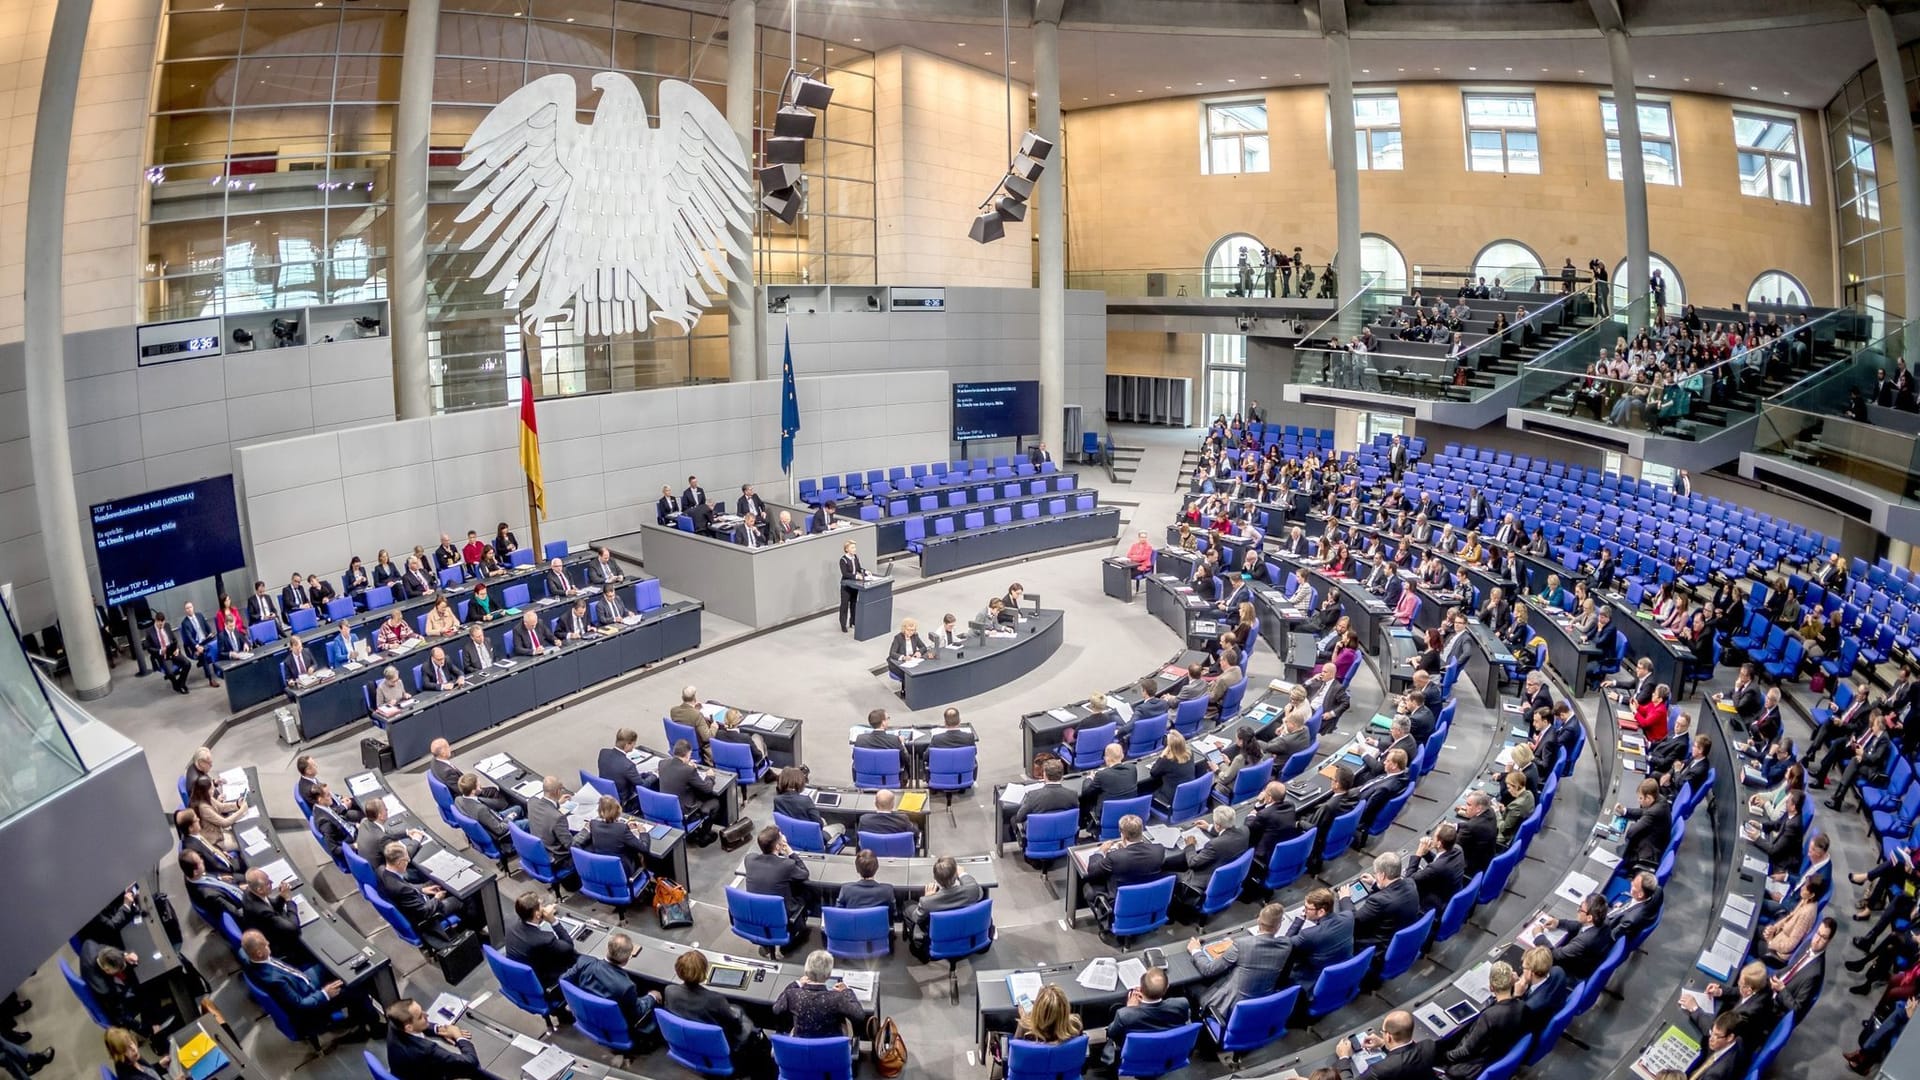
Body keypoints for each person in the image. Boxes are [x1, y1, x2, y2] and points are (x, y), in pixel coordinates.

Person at [240, 930, 377, 1041]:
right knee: (358, 988)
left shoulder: (248, 957)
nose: (268, 943)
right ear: (259, 953)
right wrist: (324, 994)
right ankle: (368, 1027)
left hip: (302, 981)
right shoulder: (274, 980)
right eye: (265, 944)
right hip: (311, 1004)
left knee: (327, 964)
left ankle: (359, 1013)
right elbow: (301, 1004)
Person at [1188, 901, 1291, 1018]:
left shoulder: (1242, 944)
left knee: (1190, 987)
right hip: (1261, 1001)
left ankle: (1197, 1020)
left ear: (1258, 921)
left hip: (1229, 1005)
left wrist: (1195, 950)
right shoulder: (1286, 945)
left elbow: (1208, 969)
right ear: (1278, 926)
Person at [664, 951, 765, 1066]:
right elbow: (735, 1026)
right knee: (741, 1014)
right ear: (704, 971)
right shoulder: (716, 1000)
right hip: (718, 1046)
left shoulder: (669, 991)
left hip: (689, 1042)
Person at [563, 933, 662, 1046]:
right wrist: (652, 996)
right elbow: (637, 1012)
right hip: (615, 1026)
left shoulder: (585, 962)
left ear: (607, 949)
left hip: (586, 1017)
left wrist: (573, 998)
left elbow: (564, 980)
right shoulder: (626, 986)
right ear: (627, 959)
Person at [1436, 961, 1524, 1078]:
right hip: (1494, 1053)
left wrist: (1443, 1057)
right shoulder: (1522, 1006)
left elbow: (1466, 1051)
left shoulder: (1489, 1016)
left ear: (1491, 988)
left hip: (1471, 1066)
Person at [1099, 968, 1190, 1067]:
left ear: (1140, 989)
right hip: (1168, 1051)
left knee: (1115, 1008)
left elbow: (1111, 1032)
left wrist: (1130, 1009)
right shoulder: (1181, 1004)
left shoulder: (1125, 1015)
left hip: (1136, 1055)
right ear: (1167, 988)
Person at [903, 855, 985, 958]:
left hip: (939, 937)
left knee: (908, 906)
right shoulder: (972, 891)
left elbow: (916, 918)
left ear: (935, 879)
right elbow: (980, 893)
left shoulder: (927, 902)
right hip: (964, 933)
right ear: (956, 874)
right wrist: (963, 874)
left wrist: (927, 897)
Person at [505, 891, 577, 1006]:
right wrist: (553, 921)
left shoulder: (511, 927)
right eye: (541, 906)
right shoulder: (544, 940)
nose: (544, 907)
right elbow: (568, 946)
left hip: (522, 979)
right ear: (537, 914)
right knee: (577, 959)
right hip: (544, 984)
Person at [773, 950, 864, 1040]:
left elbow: (777, 1009)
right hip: (831, 1049)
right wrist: (846, 991)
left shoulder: (792, 994)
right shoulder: (837, 998)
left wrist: (796, 984)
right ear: (828, 975)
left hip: (801, 1048)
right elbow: (859, 1015)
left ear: (806, 971)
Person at [377, 843, 465, 936]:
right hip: (426, 916)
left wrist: (423, 890)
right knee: (460, 899)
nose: (408, 862)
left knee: (436, 882)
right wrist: (437, 898)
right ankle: (468, 930)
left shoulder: (381, 870)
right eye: (407, 860)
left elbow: (408, 887)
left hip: (414, 901)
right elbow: (423, 912)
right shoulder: (401, 889)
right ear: (399, 862)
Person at [744, 825, 811, 945]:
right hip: (781, 916)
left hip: (757, 914)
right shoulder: (786, 865)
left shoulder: (749, 859)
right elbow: (804, 874)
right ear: (778, 846)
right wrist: (789, 851)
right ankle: (797, 930)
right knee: (805, 892)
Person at [384, 998, 481, 1079]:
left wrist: (439, 1030)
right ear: (409, 1028)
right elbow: (470, 1061)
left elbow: (414, 1024)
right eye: (421, 1016)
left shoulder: (394, 1024)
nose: (426, 1014)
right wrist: (458, 1036)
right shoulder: (426, 1050)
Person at [1353, 851, 1421, 955]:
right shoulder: (1410, 883)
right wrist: (1375, 883)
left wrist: (1345, 898)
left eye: (1376, 873)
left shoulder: (1379, 900)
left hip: (1379, 949)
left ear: (1382, 875)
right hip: (1399, 940)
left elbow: (1354, 920)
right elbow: (1393, 890)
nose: (1375, 876)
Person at [1334, 1010, 1435, 1080]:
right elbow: (1406, 1056)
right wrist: (1383, 1043)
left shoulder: (1380, 1069)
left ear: (1389, 1037)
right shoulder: (1428, 1045)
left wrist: (1343, 1057)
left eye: (1382, 1031)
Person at [1284, 887, 1355, 985]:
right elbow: (1349, 909)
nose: (1304, 911)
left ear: (1321, 911)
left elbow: (1285, 944)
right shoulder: (1348, 918)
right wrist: (1345, 898)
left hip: (1316, 980)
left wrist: (1299, 920)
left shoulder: (1309, 935)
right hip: (1345, 972)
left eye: (1307, 908)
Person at [658, 740, 721, 834]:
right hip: (685, 814)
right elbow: (707, 789)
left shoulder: (662, 763)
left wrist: (687, 766)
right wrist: (710, 776)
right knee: (715, 802)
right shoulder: (689, 771)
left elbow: (677, 772)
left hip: (666, 809)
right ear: (687, 755)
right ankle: (704, 836)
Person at [581, 795, 651, 878]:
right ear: (618, 811)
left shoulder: (593, 824)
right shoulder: (622, 829)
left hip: (602, 868)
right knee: (639, 854)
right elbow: (644, 848)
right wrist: (643, 832)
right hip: (622, 870)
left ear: (600, 811)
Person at [523, 776, 578, 880]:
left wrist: (557, 803)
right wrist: (586, 831)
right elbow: (571, 845)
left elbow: (545, 808)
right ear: (557, 792)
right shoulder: (558, 818)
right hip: (557, 857)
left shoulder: (532, 802)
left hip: (541, 850)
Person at [1012, 758, 1078, 842]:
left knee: (1013, 819)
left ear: (1044, 775)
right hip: (1063, 839)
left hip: (1039, 839)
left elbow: (1019, 818)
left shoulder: (1033, 795)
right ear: (1062, 776)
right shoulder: (1072, 795)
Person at [1408, 823, 1467, 911]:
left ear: (1439, 843)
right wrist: (1427, 853)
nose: (1432, 838)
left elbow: (1409, 879)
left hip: (1436, 902)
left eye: (1434, 836)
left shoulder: (1436, 868)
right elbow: (1441, 861)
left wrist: (1419, 853)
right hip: (1449, 891)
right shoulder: (1458, 849)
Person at [1617, 777, 1672, 872]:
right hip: (1653, 840)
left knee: (1616, 853)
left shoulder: (1655, 811)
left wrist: (1626, 827)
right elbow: (1643, 811)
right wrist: (1624, 811)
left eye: (1641, 798)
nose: (1638, 801)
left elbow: (1631, 832)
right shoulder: (1660, 799)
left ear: (1649, 798)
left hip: (1647, 853)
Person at [353, 795, 424, 868]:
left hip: (368, 865)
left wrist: (407, 832)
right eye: (385, 809)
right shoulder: (381, 839)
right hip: (381, 874)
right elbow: (404, 856)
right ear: (380, 816)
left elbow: (386, 833)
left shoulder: (364, 822)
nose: (387, 810)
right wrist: (416, 840)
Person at [1013, 984, 1082, 1045]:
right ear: (1065, 1008)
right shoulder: (1076, 1024)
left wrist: (1024, 1018)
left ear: (1037, 1010)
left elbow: (1015, 1049)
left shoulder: (1025, 1028)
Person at [190, 774, 244, 852]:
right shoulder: (203, 807)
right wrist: (241, 811)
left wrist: (237, 804)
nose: (213, 790)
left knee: (240, 833)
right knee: (242, 843)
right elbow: (224, 823)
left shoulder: (205, 796)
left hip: (218, 831)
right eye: (211, 789)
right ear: (205, 791)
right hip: (215, 841)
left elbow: (221, 807)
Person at [1516, 945, 1569, 1024]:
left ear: (1531, 973)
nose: (1522, 970)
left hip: (1535, 1026)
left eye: (1524, 968)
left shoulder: (1530, 1006)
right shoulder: (1558, 971)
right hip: (1553, 1008)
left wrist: (1517, 995)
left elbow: (1514, 1018)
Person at [597, 728, 646, 812]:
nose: (634, 747)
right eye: (633, 744)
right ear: (627, 745)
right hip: (623, 802)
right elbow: (642, 784)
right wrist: (654, 775)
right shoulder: (628, 765)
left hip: (604, 794)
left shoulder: (603, 753)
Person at [855, 708, 911, 778]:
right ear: (883, 722)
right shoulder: (894, 740)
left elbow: (855, 758)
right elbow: (905, 758)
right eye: (888, 718)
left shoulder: (860, 739)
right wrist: (902, 743)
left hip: (865, 781)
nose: (889, 720)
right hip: (889, 781)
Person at [144, 612, 190, 693]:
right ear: (156, 621)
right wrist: (160, 651)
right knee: (170, 673)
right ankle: (176, 685)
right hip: (163, 655)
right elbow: (149, 648)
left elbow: (174, 639)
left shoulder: (167, 626)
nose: (161, 625)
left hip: (172, 651)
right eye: (159, 623)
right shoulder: (149, 631)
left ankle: (181, 683)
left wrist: (177, 649)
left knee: (187, 664)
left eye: (163, 622)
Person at [1455, 791, 1499, 874]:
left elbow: (1453, 848)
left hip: (1470, 866)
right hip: (1486, 857)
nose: (1465, 807)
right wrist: (1457, 826)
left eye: (1469, 805)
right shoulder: (1490, 811)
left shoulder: (1472, 827)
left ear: (1479, 808)